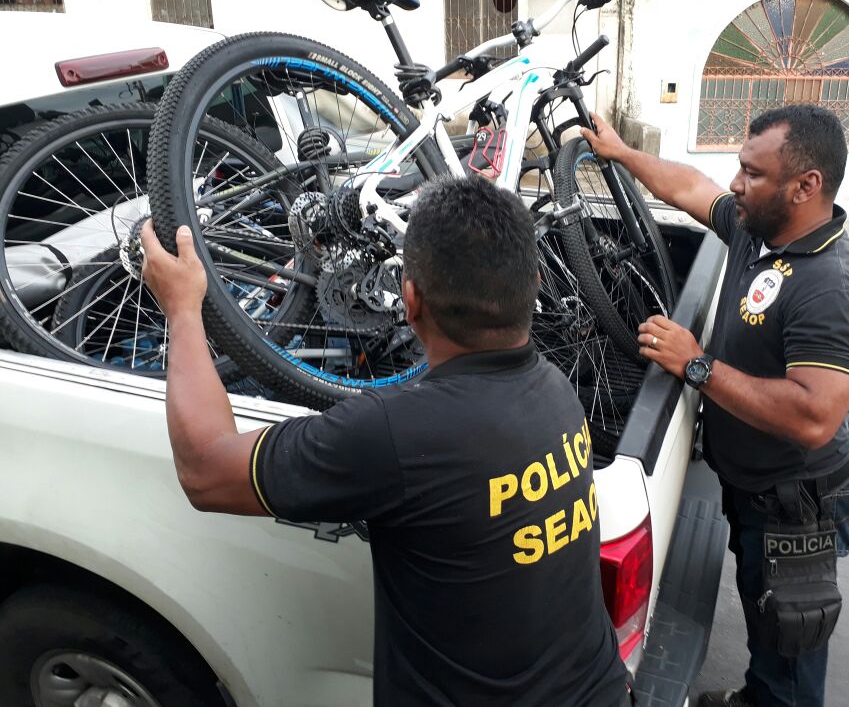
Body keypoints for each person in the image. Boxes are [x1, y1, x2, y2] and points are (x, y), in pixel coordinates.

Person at [139, 175, 630, 706]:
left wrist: (182, 309)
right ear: (532, 283)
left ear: (409, 301)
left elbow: (205, 470)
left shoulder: (396, 433)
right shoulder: (557, 390)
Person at [582, 104, 849, 707]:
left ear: (805, 186)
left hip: (798, 505)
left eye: (753, 173)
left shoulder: (833, 285)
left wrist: (696, 365)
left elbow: (814, 416)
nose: (736, 184)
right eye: (741, 168)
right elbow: (692, 188)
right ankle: (757, 694)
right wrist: (621, 153)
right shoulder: (757, 228)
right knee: (766, 616)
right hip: (756, 489)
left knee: (791, 643)